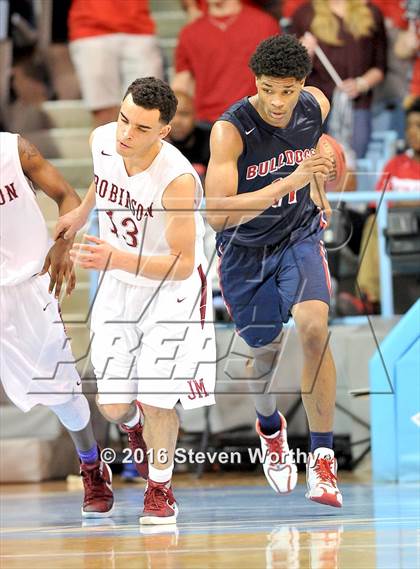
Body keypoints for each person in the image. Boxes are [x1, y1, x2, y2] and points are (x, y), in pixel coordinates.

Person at [54, 77, 216, 525]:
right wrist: (83, 212)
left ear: (164, 131)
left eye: (141, 129)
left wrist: (114, 256)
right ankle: (133, 430)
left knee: (159, 397)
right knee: (112, 405)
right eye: (124, 119)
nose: (126, 133)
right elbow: (102, 178)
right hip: (120, 284)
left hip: (171, 293)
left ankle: (161, 490)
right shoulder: (104, 139)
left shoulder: (178, 180)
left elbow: (183, 264)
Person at [205, 34, 342, 507]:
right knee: (257, 362)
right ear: (254, 83)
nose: (278, 101)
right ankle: (270, 428)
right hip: (245, 251)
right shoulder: (230, 130)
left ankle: (322, 460)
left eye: (288, 90)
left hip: (299, 236)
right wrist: (292, 179)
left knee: (313, 328)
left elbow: (319, 156)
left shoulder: (315, 105)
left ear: (302, 85)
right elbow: (216, 214)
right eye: (268, 89)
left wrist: (321, 176)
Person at [0, 132, 114, 517]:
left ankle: (92, 465)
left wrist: (62, 245)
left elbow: (68, 197)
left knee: (62, 392)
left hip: (29, 286)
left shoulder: (14, 150)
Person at [338, 97, 420, 315]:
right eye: (409, 126)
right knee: (373, 222)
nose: (412, 133)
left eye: (418, 126)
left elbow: (391, 200)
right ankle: (367, 298)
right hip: (398, 234)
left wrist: (401, 201)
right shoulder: (394, 164)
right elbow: (378, 203)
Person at [291, 0, 387, 159]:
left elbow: (381, 66)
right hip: (315, 106)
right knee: (314, 163)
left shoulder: (371, 13)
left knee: (351, 163)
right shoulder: (305, 14)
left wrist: (361, 84)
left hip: (357, 105)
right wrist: (303, 54)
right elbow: (291, 72)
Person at [172, 0, 280, 125]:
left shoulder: (265, 24)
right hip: (206, 125)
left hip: (254, 121)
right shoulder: (189, 33)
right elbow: (182, 83)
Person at [67, 0, 164, 126]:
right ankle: (105, 146)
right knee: (104, 112)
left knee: (147, 109)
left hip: (139, 27)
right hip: (90, 27)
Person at [167, 90, 210, 180]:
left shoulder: (212, 140)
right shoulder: (154, 146)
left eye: (184, 114)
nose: (177, 121)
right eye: (171, 115)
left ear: (195, 115)